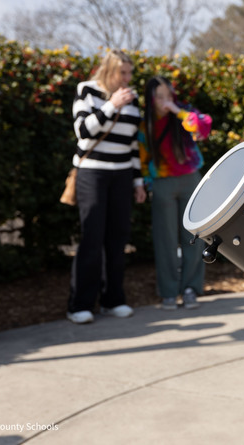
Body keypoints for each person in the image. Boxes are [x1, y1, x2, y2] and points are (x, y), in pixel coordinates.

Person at [67, 49, 147, 325]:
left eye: (129, 73)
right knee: (92, 237)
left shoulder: (133, 99)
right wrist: (112, 104)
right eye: (121, 73)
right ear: (108, 71)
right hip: (92, 174)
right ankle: (80, 304)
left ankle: (113, 299)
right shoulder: (87, 91)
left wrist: (138, 181)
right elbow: (83, 132)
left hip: (122, 175)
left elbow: (133, 145)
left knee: (117, 239)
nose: (127, 78)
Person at [139, 76, 211, 310]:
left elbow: (201, 126)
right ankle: (169, 292)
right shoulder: (145, 124)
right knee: (165, 239)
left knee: (193, 235)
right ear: (150, 99)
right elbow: (142, 157)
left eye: (168, 95)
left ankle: (190, 288)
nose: (164, 101)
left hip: (190, 179)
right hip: (162, 184)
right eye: (159, 97)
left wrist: (175, 110)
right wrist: (145, 183)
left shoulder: (184, 113)